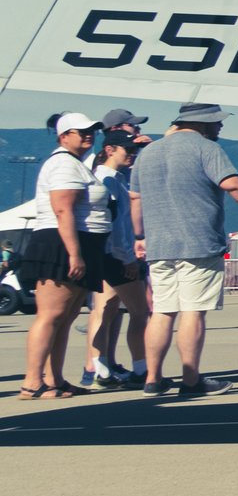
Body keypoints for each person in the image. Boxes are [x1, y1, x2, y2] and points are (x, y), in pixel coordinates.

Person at [130, 102, 238, 395]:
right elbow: (234, 185)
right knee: (193, 311)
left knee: (162, 311)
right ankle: (190, 379)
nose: (220, 126)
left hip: (160, 244)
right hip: (197, 241)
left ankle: (153, 379)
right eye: (217, 122)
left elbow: (135, 197)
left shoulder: (147, 153)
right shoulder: (205, 148)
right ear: (202, 123)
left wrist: (139, 235)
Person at [19, 113, 103, 400]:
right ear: (64, 135)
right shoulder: (64, 164)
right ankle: (33, 381)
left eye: (92, 130)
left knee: (65, 318)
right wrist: (74, 253)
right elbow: (62, 209)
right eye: (81, 131)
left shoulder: (75, 164)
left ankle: (54, 379)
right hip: (59, 241)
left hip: (72, 241)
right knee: (51, 315)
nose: (89, 135)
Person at [79, 123, 149, 388]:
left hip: (107, 255)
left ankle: (101, 370)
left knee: (104, 311)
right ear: (110, 149)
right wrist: (127, 257)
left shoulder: (114, 177)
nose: (132, 153)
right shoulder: (107, 180)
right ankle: (141, 369)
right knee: (140, 313)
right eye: (128, 149)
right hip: (116, 256)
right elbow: (115, 224)